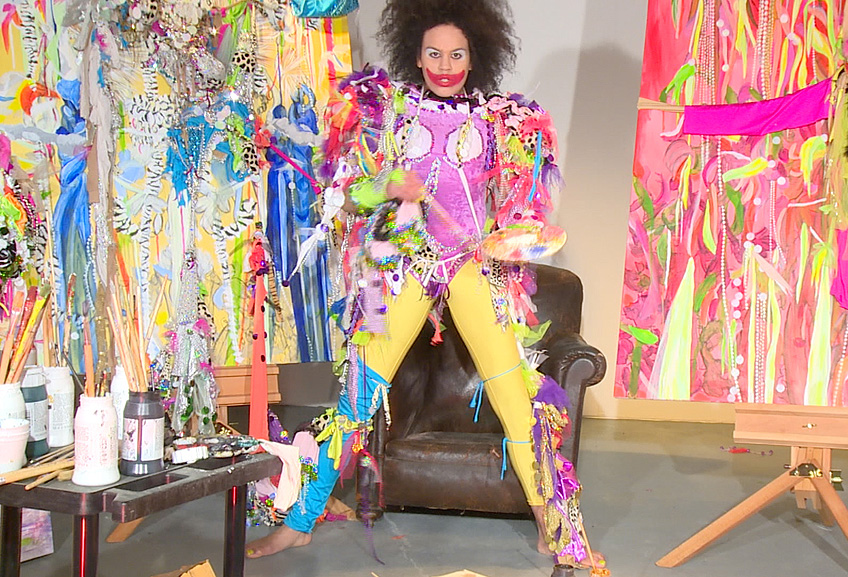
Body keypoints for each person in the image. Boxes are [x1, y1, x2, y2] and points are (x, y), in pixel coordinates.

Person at [246, 0, 605, 569]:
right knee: (357, 397)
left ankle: (552, 525)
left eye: (456, 54)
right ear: (415, 54)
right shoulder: (388, 111)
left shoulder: (501, 120)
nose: (444, 65)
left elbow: (519, 212)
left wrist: (514, 235)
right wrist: (389, 185)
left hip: (471, 267)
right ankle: (299, 523)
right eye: (433, 53)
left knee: (517, 400)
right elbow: (348, 195)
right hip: (404, 266)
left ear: (475, 57)